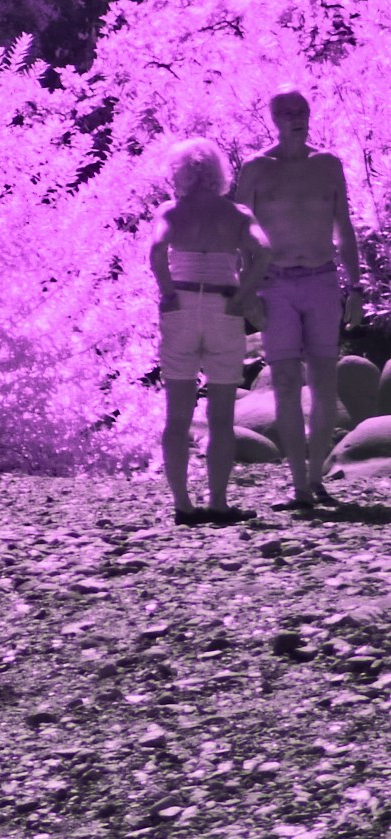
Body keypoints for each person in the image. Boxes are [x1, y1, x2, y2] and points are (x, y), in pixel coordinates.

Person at [235, 89, 365, 514]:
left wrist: (356, 288)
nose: (297, 118)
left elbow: (344, 227)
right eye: (288, 112)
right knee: (287, 383)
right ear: (273, 118)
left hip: (322, 280)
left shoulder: (327, 165)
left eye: (302, 111)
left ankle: (316, 479)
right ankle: (298, 487)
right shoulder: (256, 168)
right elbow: (241, 236)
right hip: (275, 285)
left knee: (325, 384)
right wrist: (246, 292)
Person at [156, 148, 262, 523]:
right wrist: (244, 295)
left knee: (177, 416)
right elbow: (264, 252)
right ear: (219, 172)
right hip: (223, 305)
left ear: (179, 172)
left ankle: (183, 505)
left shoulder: (170, 211)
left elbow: (157, 249)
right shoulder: (237, 214)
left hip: (182, 303)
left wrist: (168, 293)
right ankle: (218, 501)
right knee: (221, 415)